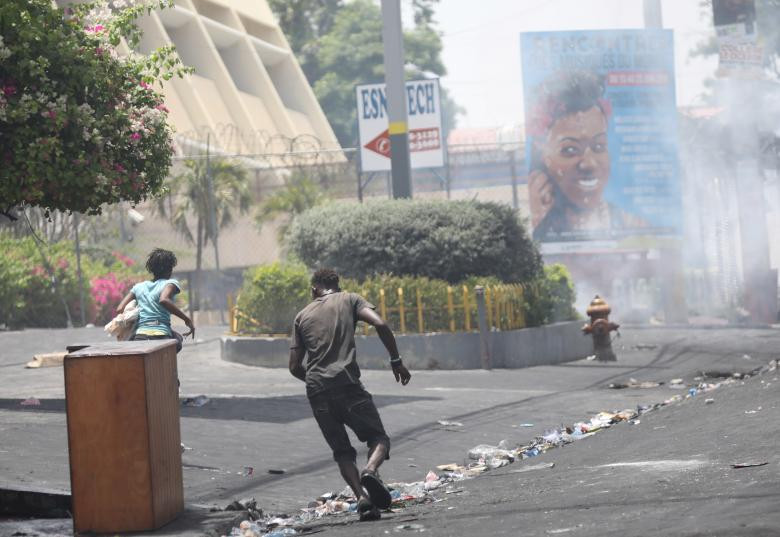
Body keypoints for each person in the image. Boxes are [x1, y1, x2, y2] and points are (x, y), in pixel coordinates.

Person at [289, 268, 411, 521]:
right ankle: (370, 470)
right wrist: (396, 360)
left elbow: (293, 367)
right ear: (337, 284)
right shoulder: (350, 299)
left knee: (342, 452)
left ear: (314, 289)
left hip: (317, 391)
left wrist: (316, 382)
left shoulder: (301, 316)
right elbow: (380, 323)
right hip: (347, 384)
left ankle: (362, 499)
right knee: (378, 437)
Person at [527, 70, 647, 241]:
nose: (589, 164)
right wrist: (539, 223)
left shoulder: (634, 227)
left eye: (599, 146)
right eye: (570, 150)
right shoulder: (540, 225)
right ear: (543, 155)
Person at [116, 248, 194, 352]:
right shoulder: (170, 284)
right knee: (178, 340)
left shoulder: (138, 287)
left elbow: (120, 308)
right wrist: (187, 319)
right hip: (161, 336)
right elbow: (164, 300)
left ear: (152, 269)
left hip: (140, 337)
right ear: (170, 269)